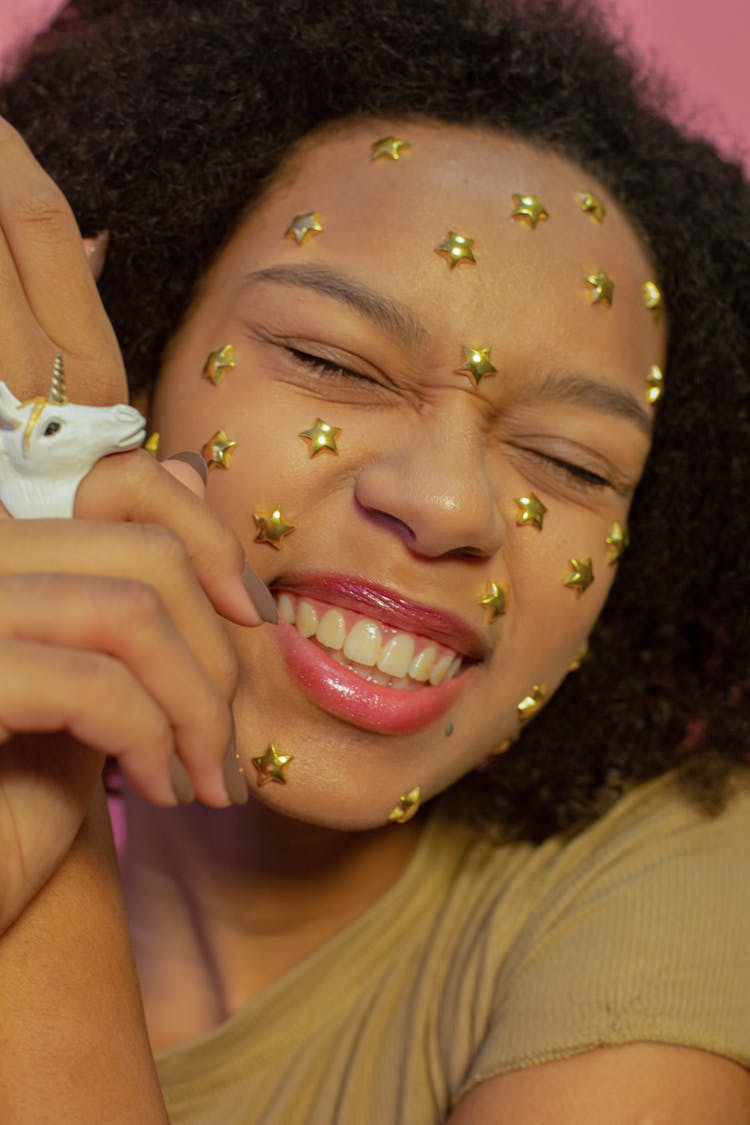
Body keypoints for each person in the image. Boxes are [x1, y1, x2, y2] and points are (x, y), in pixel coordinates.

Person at [0, 0, 748, 1121]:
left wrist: (47, 738)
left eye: (573, 464)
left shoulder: (689, 887)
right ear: (134, 359)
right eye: (330, 362)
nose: (447, 505)